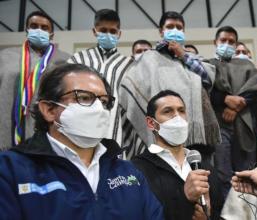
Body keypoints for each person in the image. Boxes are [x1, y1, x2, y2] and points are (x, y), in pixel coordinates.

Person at [0, 64, 163, 220]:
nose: (99, 109)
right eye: (84, 98)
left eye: (104, 101)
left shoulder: (128, 172)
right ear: (49, 110)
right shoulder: (10, 170)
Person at [119, 11, 219, 159]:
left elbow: (208, 79)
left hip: (196, 134)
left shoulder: (193, 59)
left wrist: (183, 55)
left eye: (179, 27)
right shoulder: (150, 58)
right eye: (170, 26)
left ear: (184, 31)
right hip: (163, 130)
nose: (175, 30)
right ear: (161, 31)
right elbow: (130, 85)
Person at [132, 90, 223, 220]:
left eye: (181, 111)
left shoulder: (204, 168)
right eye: (167, 111)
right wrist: (184, 197)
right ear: (152, 123)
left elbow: (218, 212)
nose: (177, 117)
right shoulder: (137, 169)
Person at [0, 11, 70, 150]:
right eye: (34, 26)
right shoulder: (5, 56)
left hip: (46, 132)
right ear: (27, 30)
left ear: (52, 34)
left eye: (44, 28)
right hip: (6, 128)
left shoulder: (65, 60)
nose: (39, 30)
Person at [207, 26, 257, 198]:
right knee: (223, 172)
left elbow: (255, 89)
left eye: (231, 42)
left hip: (243, 124)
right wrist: (225, 100)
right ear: (215, 42)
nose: (227, 44)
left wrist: (235, 107)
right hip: (218, 125)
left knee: (246, 170)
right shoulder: (208, 65)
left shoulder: (246, 65)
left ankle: (248, 210)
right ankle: (227, 212)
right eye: (223, 40)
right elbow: (206, 91)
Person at [68, 9, 133, 146]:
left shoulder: (129, 65)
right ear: (94, 31)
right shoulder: (78, 60)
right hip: (80, 127)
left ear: (119, 34)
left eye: (113, 31)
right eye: (103, 30)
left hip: (114, 130)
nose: (108, 34)